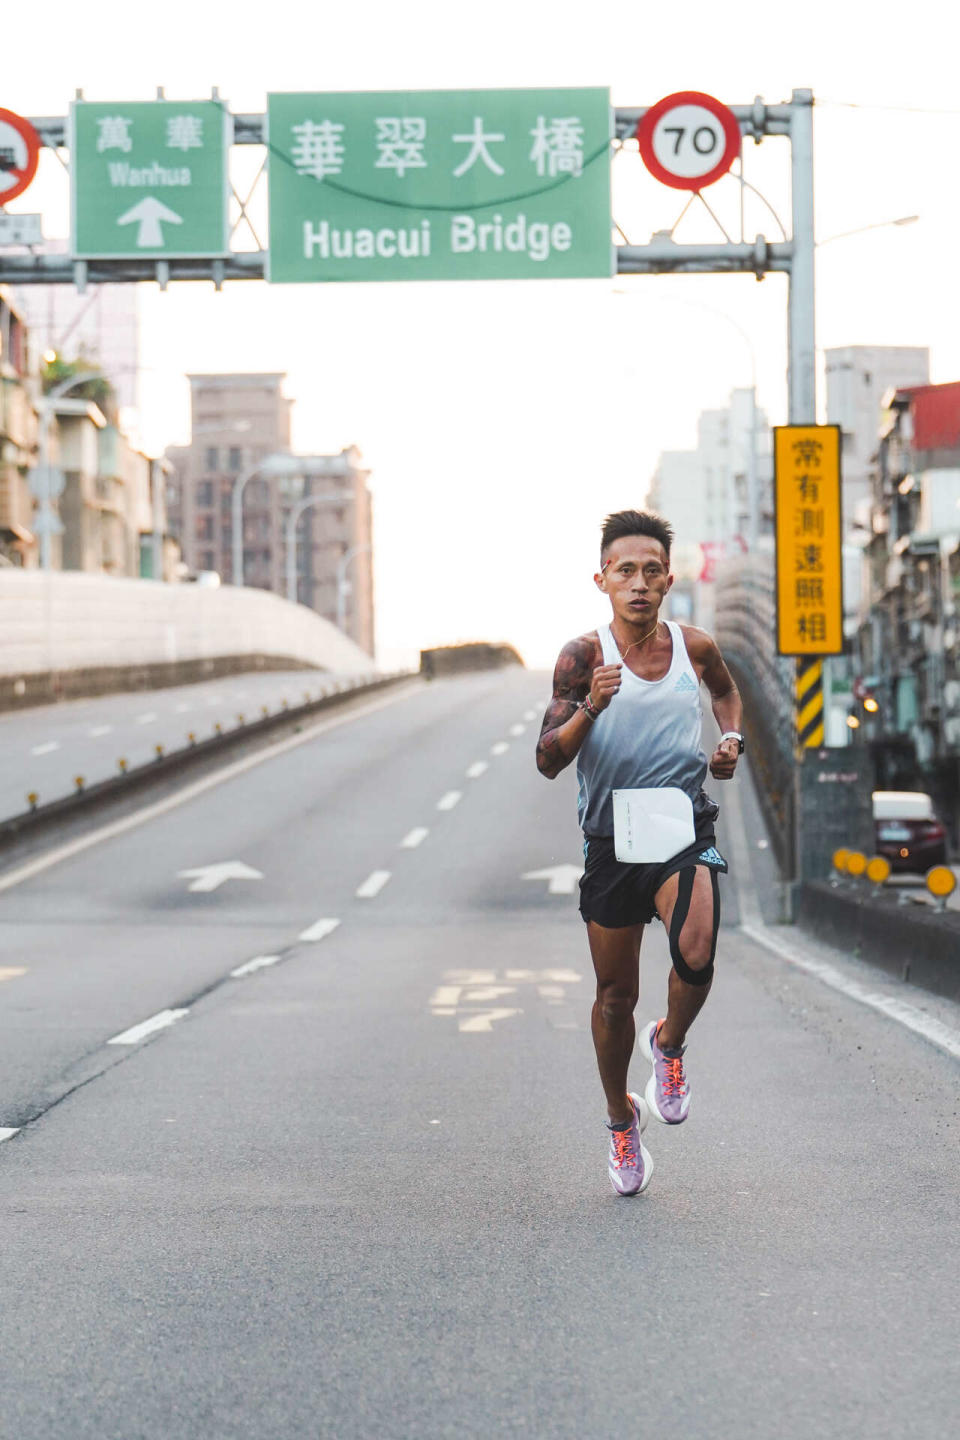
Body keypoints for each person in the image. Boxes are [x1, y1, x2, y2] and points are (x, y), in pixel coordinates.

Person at [536, 510, 744, 1197]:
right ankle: (621, 1119)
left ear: (668, 580)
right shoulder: (581, 658)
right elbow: (545, 761)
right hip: (612, 840)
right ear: (602, 580)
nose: (639, 583)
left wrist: (731, 741)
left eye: (652, 571)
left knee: (698, 948)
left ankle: (672, 1046)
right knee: (613, 995)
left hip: (682, 822)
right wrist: (588, 709)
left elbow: (725, 693)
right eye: (625, 571)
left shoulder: (695, 646)